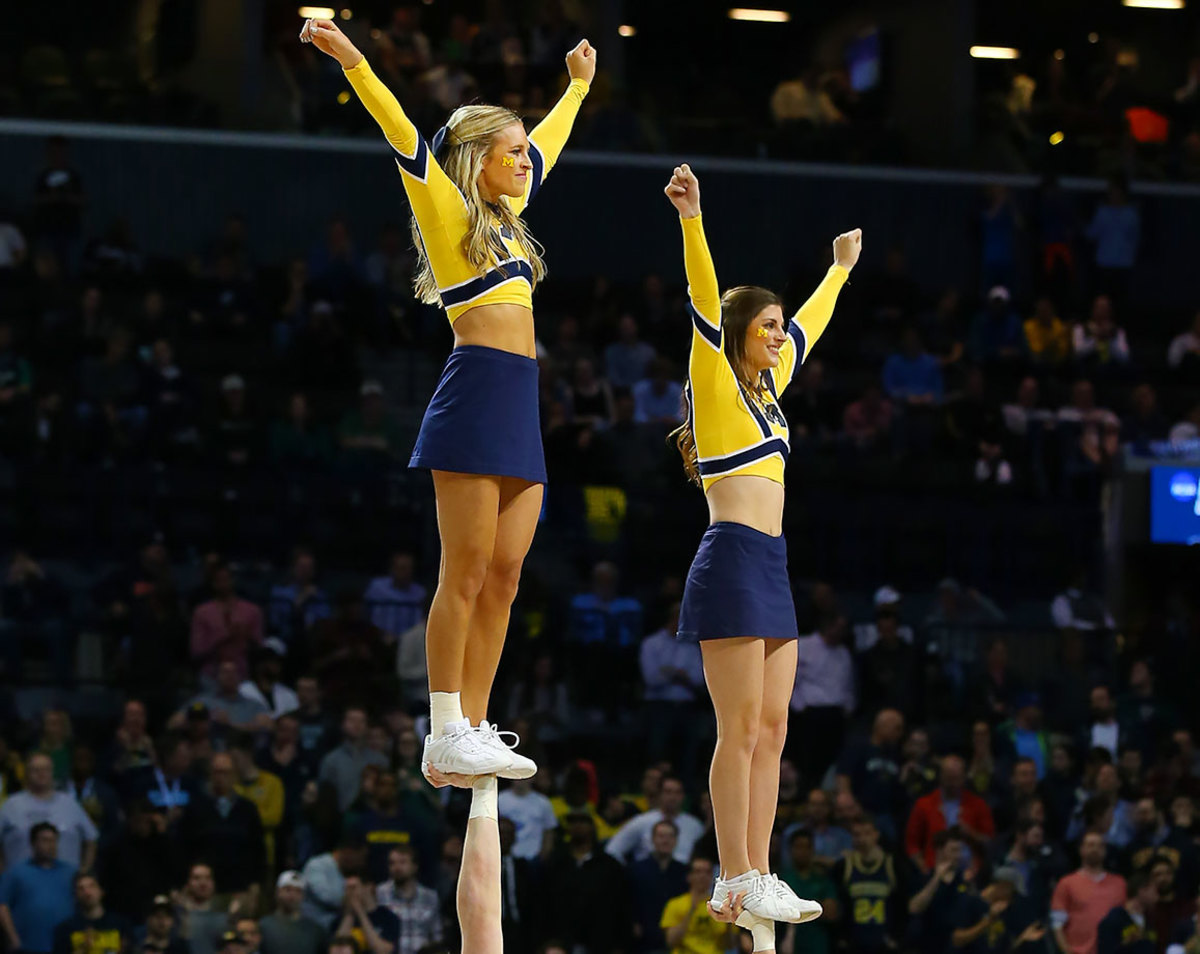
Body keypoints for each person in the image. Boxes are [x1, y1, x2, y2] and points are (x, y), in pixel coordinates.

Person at [300, 16, 596, 779]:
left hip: (520, 405)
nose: (528, 162)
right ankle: (440, 728)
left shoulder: (510, 221)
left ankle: (475, 721)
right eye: (513, 153)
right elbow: (401, 128)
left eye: (528, 152)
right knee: (462, 570)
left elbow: (551, 144)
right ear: (476, 161)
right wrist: (356, 59)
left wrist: (577, 89)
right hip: (473, 395)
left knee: (506, 575)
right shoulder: (451, 214)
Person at [663, 162, 858, 929]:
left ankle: (761, 870)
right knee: (738, 730)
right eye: (768, 325)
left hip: (771, 565)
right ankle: (732, 874)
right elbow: (702, 297)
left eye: (781, 326)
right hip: (731, 559)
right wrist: (692, 221)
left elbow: (812, 322)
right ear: (738, 332)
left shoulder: (770, 395)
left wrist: (838, 272)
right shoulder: (715, 381)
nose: (782, 334)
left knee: (774, 732)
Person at [0, 752, 98, 870]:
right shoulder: (11, 805)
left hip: (65, 882)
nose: (42, 774)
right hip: (21, 884)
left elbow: (91, 839)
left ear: (52, 772)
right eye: (36, 770)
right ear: (26, 774)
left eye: (46, 769)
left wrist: (84, 872)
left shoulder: (70, 803)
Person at [0, 823, 77, 954]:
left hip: (65, 945)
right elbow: (2, 906)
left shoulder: (70, 872)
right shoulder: (16, 872)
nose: (51, 845)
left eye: (54, 841)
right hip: (28, 946)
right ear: (33, 843)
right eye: (45, 840)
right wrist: (13, 939)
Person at [1051, 831, 1128, 954]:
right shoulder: (1067, 883)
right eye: (1090, 845)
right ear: (1081, 849)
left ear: (1105, 850)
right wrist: (1066, 950)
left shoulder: (1119, 883)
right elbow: (1057, 924)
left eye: (1100, 846)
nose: (1095, 849)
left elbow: (1128, 919)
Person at [52, 872, 132, 954]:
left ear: (101, 891)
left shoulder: (121, 924)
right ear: (75, 895)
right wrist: (82, 950)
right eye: (81, 888)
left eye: (92, 886)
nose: (87, 892)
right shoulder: (65, 929)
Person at [259, 871, 327, 954]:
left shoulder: (315, 931)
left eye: (298, 891)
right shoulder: (263, 926)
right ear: (278, 892)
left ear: (303, 896)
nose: (292, 895)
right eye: (288, 890)